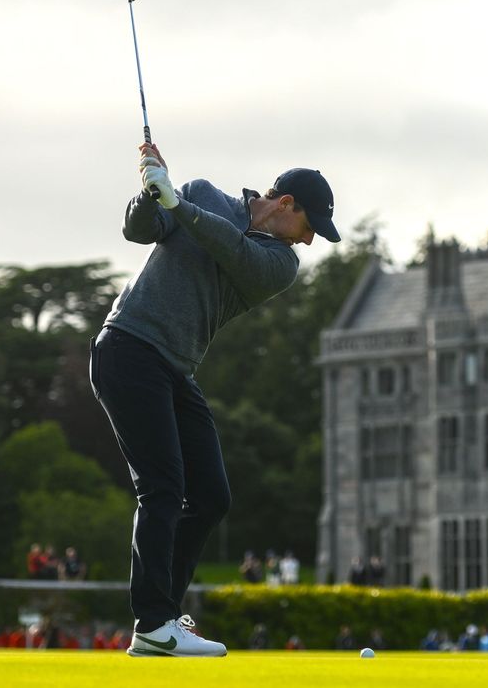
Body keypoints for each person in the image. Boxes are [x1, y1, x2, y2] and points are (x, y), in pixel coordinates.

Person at [90, 143, 339, 658]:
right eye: (311, 226)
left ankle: (164, 617)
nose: (310, 241)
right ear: (286, 203)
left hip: (175, 368)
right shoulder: (203, 193)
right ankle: (154, 623)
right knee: (162, 487)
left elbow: (234, 250)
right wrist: (150, 191)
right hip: (129, 348)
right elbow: (139, 231)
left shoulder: (279, 262)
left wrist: (178, 206)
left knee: (211, 496)